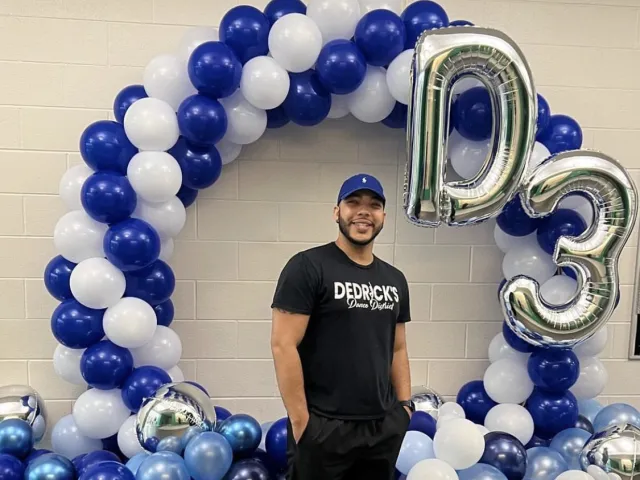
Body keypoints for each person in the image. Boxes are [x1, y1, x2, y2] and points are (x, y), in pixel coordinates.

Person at [270, 173, 414, 480]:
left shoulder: (395, 279)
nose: (364, 211)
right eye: (353, 203)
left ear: (383, 217)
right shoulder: (307, 267)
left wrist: (404, 408)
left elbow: (398, 347)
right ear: (337, 212)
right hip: (323, 428)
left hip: (382, 427)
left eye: (374, 205)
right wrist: (301, 422)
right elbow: (283, 345)